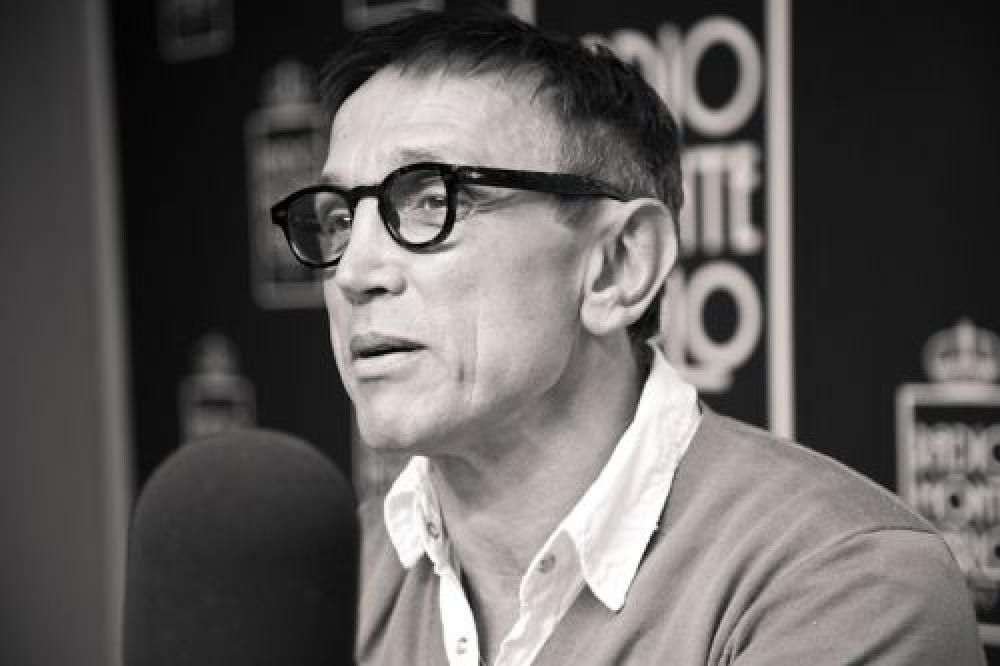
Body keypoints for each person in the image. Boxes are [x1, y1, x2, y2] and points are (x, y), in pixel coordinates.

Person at [269, 8, 986, 665]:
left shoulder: (844, 580)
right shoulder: (327, 583)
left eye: (431, 199)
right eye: (339, 220)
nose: (353, 272)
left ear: (619, 265)